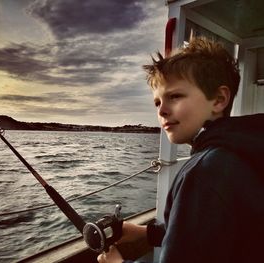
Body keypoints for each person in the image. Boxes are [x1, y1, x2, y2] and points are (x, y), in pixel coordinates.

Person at [97, 37, 264, 263]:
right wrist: (147, 233)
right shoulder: (241, 153)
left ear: (219, 99)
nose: (162, 111)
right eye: (157, 102)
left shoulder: (203, 172)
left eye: (175, 96)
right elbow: (208, 233)